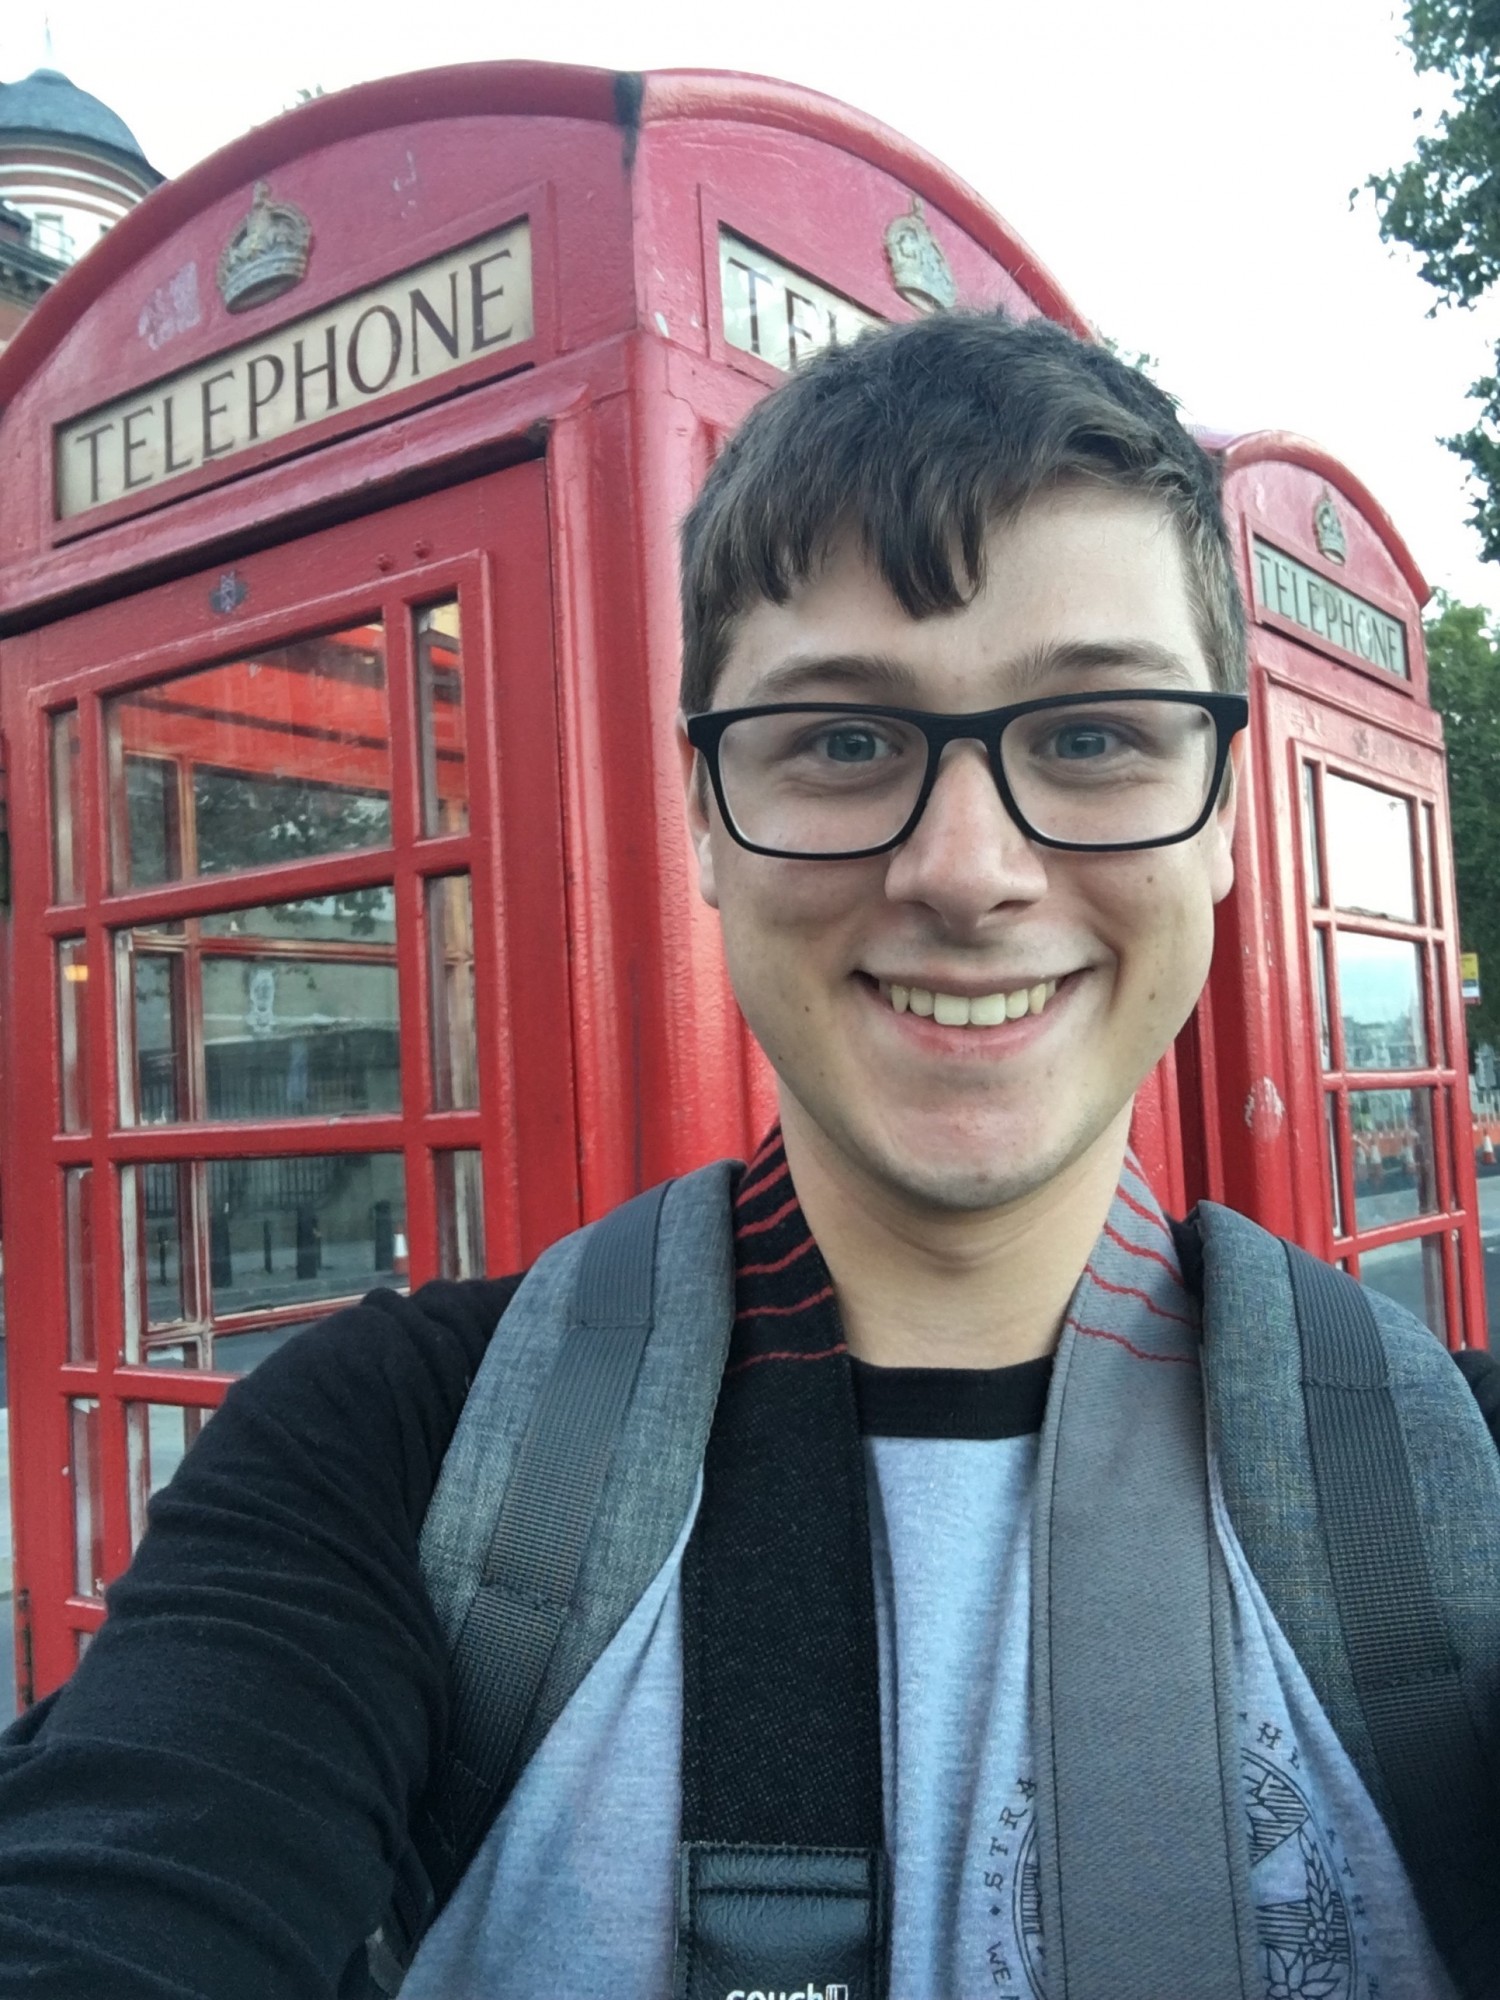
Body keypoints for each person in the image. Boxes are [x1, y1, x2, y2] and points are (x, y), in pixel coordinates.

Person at [0, 312, 1494, 2000]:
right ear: (705, 819)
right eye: (844, 743)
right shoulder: (394, 1462)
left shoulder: (1458, 1495)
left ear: (1223, 813)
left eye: (1093, 736)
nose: (966, 868)